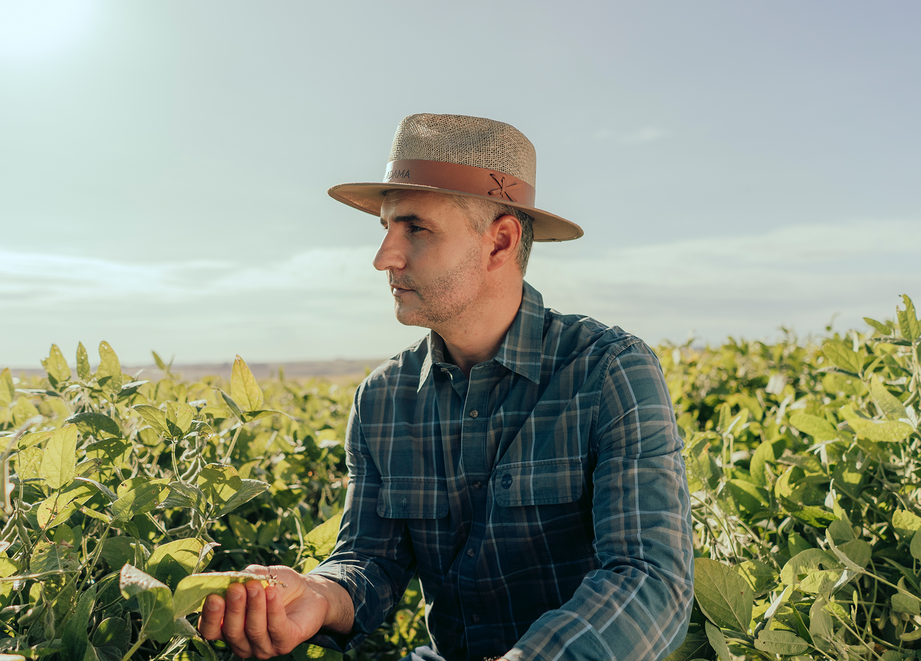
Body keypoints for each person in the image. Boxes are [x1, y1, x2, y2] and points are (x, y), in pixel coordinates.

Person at [198, 113, 694, 661]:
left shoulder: (609, 371)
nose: (383, 256)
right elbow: (372, 560)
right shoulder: (382, 399)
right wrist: (317, 594)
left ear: (500, 243)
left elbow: (649, 579)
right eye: (385, 228)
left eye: (415, 228)